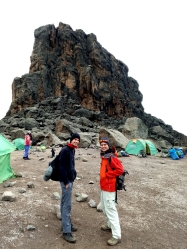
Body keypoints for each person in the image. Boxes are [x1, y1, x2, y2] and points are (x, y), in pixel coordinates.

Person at [99, 137, 124, 246]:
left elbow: (120, 170)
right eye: (102, 145)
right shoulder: (105, 156)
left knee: (111, 210)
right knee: (104, 207)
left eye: (105, 144)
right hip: (104, 186)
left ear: (108, 145)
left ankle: (116, 236)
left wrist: (108, 175)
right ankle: (109, 225)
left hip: (109, 187)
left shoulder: (111, 157)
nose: (103, 146)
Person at [59, 132, 80, 243]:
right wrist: (67, 181)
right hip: (66, 181)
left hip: (69, 179)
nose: (76, 141)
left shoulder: (72, 149)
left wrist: (74, 173)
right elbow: (62, 167)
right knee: (67, 205)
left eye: (78, 140)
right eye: (75, 139)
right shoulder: (65, 150)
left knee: (63, 202)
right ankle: (66, 231)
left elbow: (71, 165)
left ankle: (65, 224)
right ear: (71, 140)